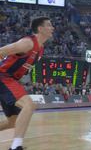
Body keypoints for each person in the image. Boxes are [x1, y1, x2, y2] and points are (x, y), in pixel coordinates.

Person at [0, 17, 53, 150]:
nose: (52, 28)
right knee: (29, 105)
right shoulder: (27, 43)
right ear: (40, 29)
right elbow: (2, 51)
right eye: (49, 25)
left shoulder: (40, 48)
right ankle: (16, 146)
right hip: (3, 77)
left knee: (12, 122)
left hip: (10, 79)